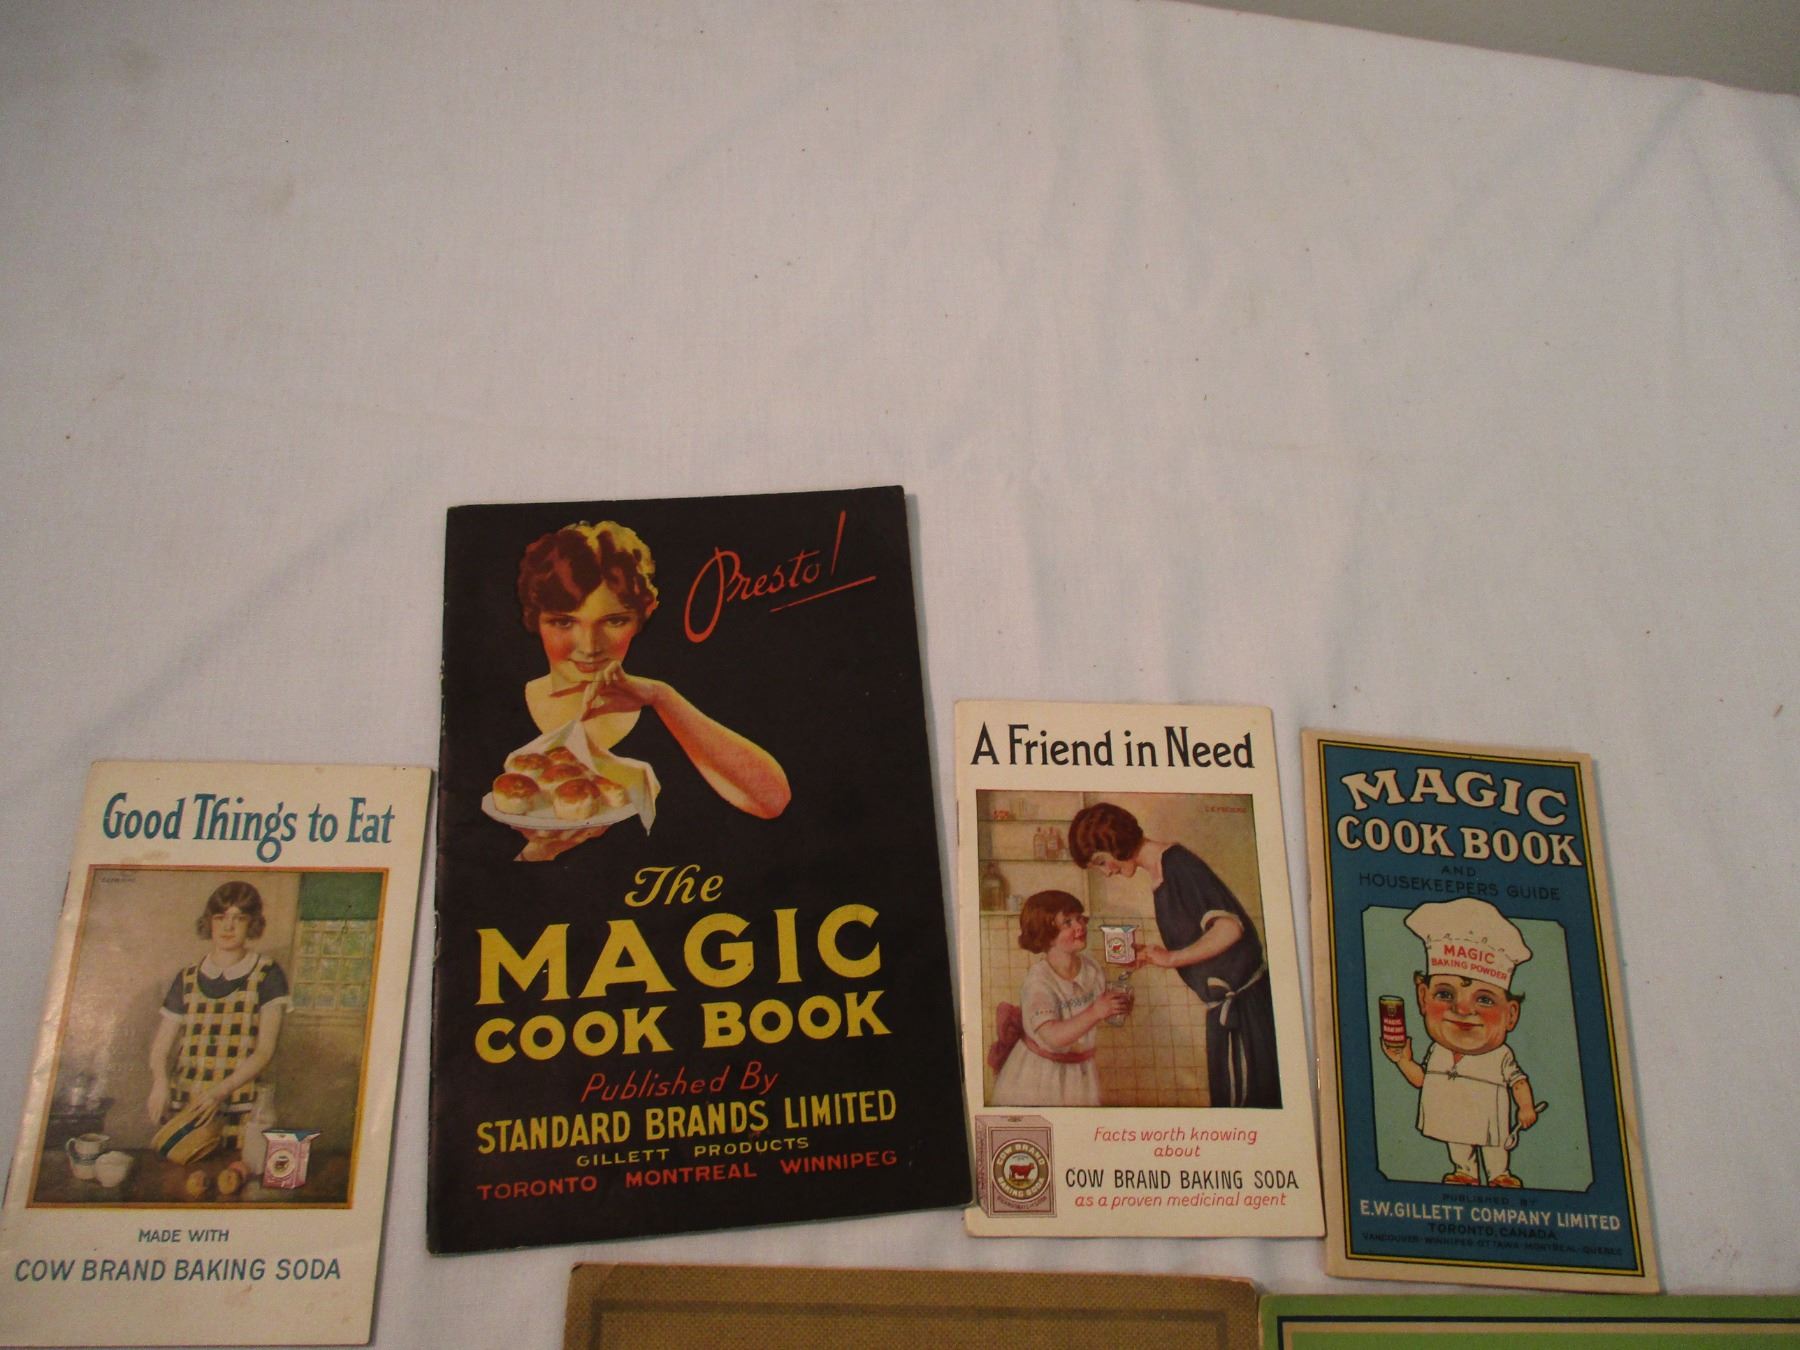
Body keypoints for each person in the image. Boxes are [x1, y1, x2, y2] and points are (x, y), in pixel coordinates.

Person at [510, 521, 790, 859]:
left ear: (643, 616)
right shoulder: (499, 711)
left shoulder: (662, 702)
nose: (589, 646)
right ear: (535, 618)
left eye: (614, 621)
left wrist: (662, 698)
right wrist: (539, 854)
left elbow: (773, 801)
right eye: (564, 622)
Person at [1069, 802, 1281, 1108]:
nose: (1107, 872)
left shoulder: (1177, 865)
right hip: (1228, 1014)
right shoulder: (1160, 874)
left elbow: (1229, 928)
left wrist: (1170, 959)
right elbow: (1198, 941)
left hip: (1245, 1013)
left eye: (1102, 862)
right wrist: (1154, 955)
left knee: (1249, 1108)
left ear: (1116, 842)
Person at [1382, 897, 1541, 1187]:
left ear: (1510, 1014)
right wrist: (1403, 1060)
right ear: (1423, 998)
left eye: (1484, 1000)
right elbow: (1423, 1080)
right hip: (1452, 1112)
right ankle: (1465, 1171)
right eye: (1445, 994)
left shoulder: (1500, 1054)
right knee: (1456, 1138)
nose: (1463, 1010)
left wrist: (1526, 1107)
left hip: (1488, 1113)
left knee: (1494, 1145)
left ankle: (1499, 1174)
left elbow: (1518, 1082)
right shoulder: (1438, 1049)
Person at [146, 880, 289, 1148]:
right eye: (220, 917)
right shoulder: (187, 977)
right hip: (186, 1108)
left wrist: (219, 1092)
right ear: (209, 922)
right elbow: (160, 1048)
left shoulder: (268, 974)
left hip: (239, 1108)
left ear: (252, 924)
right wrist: (160, 1082)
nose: (228, 927)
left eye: (239, 918)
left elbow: (264, 1052)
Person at [987, 890, 1130, 1107]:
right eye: (1068, 923)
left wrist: (1116, 1007)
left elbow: (1101, 1014)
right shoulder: (1039, 981)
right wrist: (1096, 1012)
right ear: (1047, 934)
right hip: (1041, 1075)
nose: (1080, 926)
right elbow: (1052, 1037)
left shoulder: (1091, 969)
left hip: (1081, 1072)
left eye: (1079, 918)